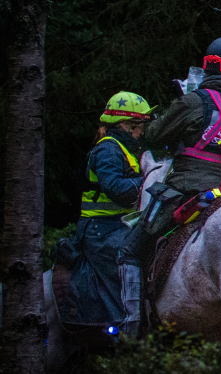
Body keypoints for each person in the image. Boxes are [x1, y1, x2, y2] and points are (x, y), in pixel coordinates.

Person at [119, 36, 221, 334]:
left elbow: (155, 136)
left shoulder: (194, 99)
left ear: (212, 68)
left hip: (186, 190)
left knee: (130, 251)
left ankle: (129, 329)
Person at [58, 91, 151, 328]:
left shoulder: (124, 148)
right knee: (131, 260)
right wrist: (150, 180)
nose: (142, 132)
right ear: (124, 124)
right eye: (139, 126)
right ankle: (128, 325)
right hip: (100, 230)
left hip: (116, 225)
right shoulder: (108, 149)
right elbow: (116, 189)